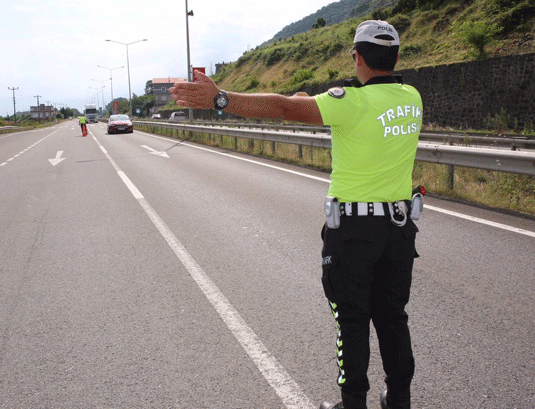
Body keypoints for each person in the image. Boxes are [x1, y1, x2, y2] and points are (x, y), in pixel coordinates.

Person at [170, 20, 422, 409]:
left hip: (354, 232)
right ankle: (399, 399)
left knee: (352, 322)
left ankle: (353, 404)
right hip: (399, 228)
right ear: (398, 57)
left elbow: (284, 107)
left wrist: (221, 98)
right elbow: (320, 108)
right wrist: (308, 101)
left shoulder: (349, 103)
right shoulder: (411, 98)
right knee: (393, 317)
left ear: (357, 58)